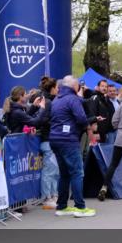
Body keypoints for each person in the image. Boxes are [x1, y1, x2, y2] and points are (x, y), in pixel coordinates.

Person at [35, 75, 95, 217]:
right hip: (68, 140)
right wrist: (87, 125)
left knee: (64, 174)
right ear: (75, 87)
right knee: (77, 173)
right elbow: (81, 118)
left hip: (54, 139)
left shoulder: (57, 99)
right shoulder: (72, 99)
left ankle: (62, 206)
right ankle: (80, 207)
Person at [35, 76, 60, 210]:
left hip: (51, 139)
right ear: (52, 88)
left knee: (54, 169)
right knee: (50, 170)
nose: (58, 90)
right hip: (48, 139)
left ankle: (54, 194)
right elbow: (42, 120)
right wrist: (56, 123)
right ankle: (47, 197)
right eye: (56, 87)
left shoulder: (50, 101)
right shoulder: (48, 102)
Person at [86, 79, 116, 145]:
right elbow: (92, 114)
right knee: (95, 153)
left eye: (106, 86)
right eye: (102, 86)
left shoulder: (105, 99)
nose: (104, 88)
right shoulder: (95, 98)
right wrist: (95, 133)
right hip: (97, 133)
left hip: (104, 133)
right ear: (98, 87)